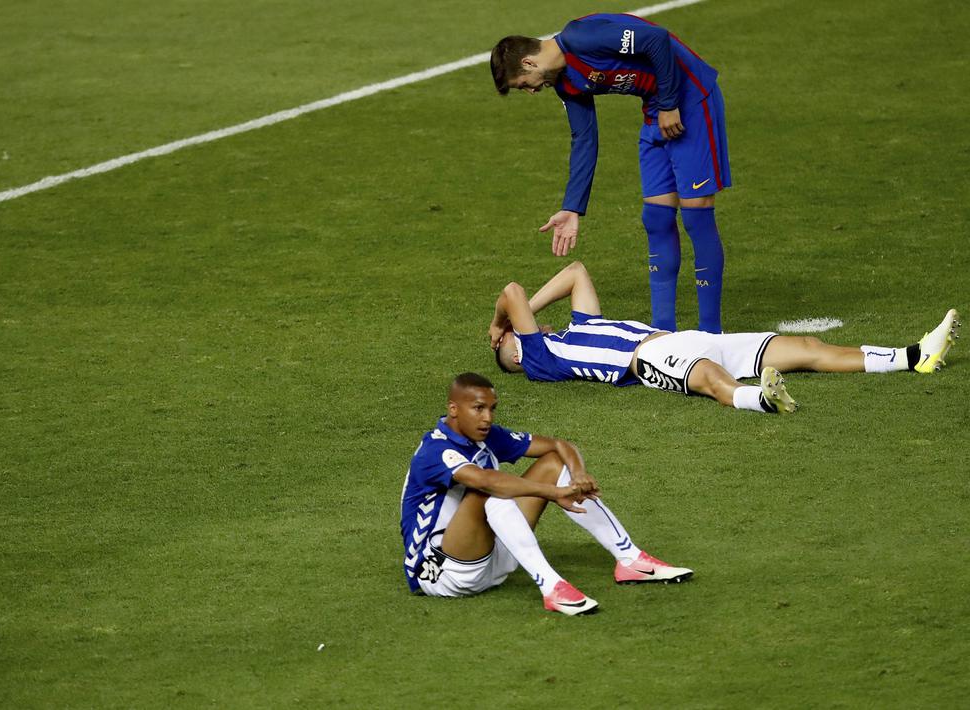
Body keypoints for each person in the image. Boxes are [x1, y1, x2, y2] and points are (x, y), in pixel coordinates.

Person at [491, 15, 730, 333]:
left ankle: (711, 333)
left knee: (696, 216)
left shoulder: (582, 38)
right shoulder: (566, 84)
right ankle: (662, 332)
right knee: (656, 218)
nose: (531, 92)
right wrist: (572, 207)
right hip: (657, 109)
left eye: (523, 85)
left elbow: (656, 39)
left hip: (691, 100)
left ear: (529, 62)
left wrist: (671, 105)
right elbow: (584, 139)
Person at [488, 261, 960, 413]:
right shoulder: (541, 359)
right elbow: (511, 292)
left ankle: (914, 354)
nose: (519, 334)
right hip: (650, 360)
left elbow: (575, 271)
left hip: (683, 337)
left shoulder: (580, 328)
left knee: (806, 350)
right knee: (710, 378)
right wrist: (501, 327)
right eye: (513, 346)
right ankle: (761, 399)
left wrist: (511, 322)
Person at [400, 372, 693, 615]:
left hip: (493, 559)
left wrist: (577, 474)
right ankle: (552, 587)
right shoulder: (434, 450)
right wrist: (553, 493)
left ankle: (630, 560)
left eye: (492, 408)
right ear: (454, 409)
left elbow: (558, 446)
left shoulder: (486, 435)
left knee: (552, 463)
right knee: (486, 490)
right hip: (441, 572)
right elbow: (487, 481)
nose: (487, 417)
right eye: (478, 408)